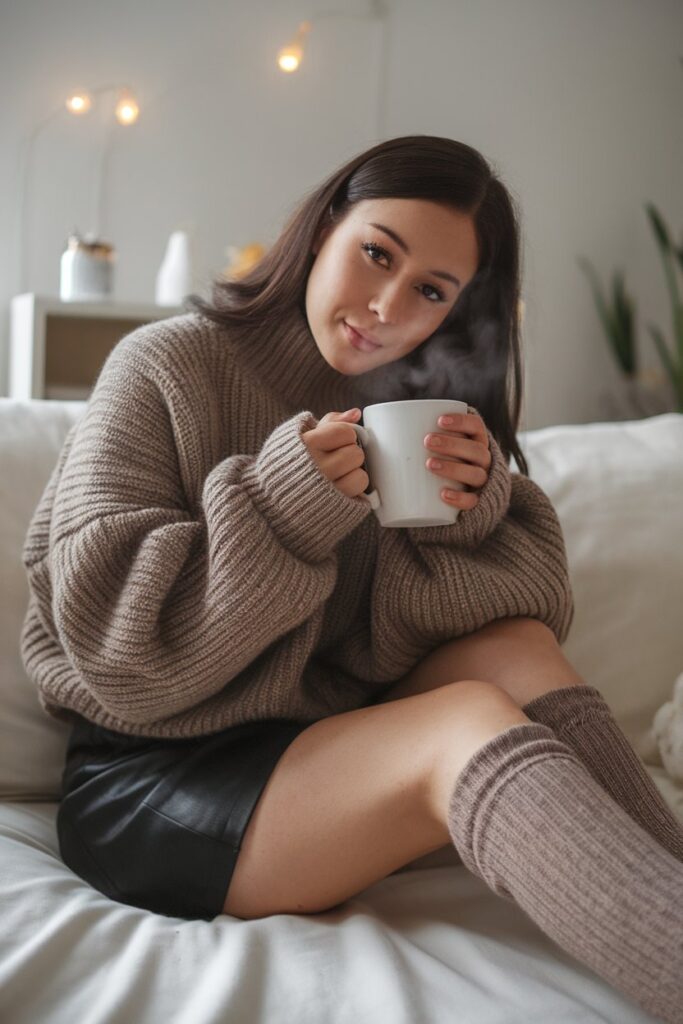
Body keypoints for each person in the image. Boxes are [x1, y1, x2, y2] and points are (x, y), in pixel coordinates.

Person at [20, 135, 682, 1020]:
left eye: (432, 292)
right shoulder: (167, 364)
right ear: (324, 225)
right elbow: (117, 656)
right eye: (377, 253)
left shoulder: (414, 407)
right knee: (463, 725)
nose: (386, 305)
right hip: (155, 779)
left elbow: (475, 621)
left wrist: (475, 508)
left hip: (320, 752)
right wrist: (283, 508)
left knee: (512, 652)